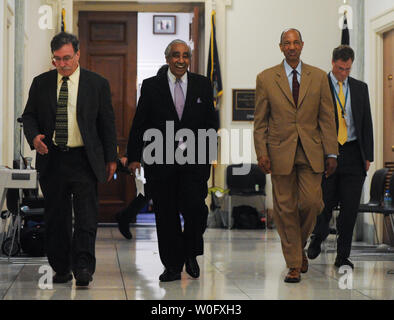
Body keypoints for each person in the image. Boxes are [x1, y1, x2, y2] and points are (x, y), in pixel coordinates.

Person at [22, 32, 117, 286]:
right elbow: (29, 116)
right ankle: (61, 267)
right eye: (57, 60)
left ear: (77, 54)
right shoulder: (40, 83)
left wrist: (111, 158)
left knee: (86, 217)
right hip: (53, 158)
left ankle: (83, 267)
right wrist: (34, 139)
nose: (62, 64)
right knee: (57, 217)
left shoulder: (97, 84)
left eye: (67, 58)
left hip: (84, 159)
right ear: (52, 59)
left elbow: (107, 124)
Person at [127, 39, 218, 282]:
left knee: (196, 211)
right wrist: (135, 156)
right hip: (161, 163)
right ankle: (172, 266)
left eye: (185, 56)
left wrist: (208, 158)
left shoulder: (202, 84)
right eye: (176, 55)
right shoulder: (151, 86)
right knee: (166, 216)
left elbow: (211, 123)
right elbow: (140, 124)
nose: (181, 60)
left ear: (189, 59)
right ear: (167, 59)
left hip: (194, 163)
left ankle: (191, 254)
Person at [254, 28, 338, 283]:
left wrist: (331, 152)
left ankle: (297, 247)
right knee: (285, 208)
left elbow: (327, 117)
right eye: (286, 43)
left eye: (295, 42)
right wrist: (262, 153)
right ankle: (293, 263)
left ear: (302, 45)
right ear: (280, 47)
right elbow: (260, 121)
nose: (291, 47)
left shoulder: (320, 77)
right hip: (279, 151)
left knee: (312, 203)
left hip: (312, 151)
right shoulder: (266, 78)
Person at [307, 45, 374, 269]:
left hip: (354, 153)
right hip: (327, 152)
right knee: (323, 203)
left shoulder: (359, 88)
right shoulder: (319, 85)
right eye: (339, 68)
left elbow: (366, 123)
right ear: (332, 62)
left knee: (350, 208)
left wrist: (368, 155)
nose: (343, 74)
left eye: (347, 69)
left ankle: (342, 255)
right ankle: (318, 236)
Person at [115, 65, 168, 240]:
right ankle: (125, 216)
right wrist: (131, 156)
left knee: (153, 190)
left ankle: (125, 216)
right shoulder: (154, 98)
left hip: (171, 153)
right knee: (153, 190)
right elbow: (138, 128)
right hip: (154, 152)